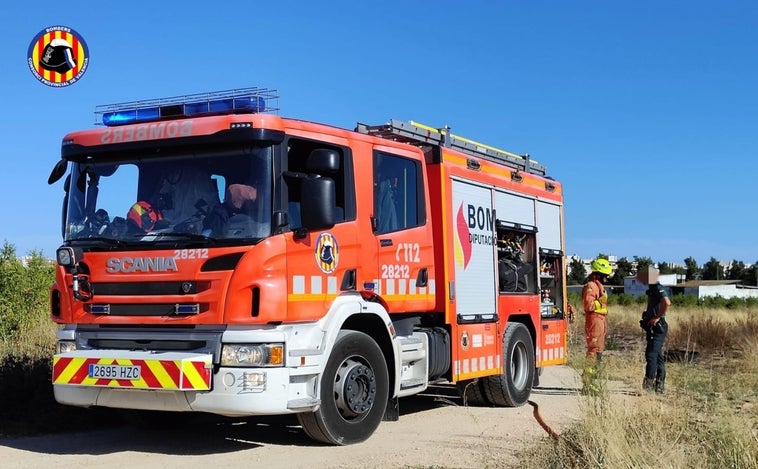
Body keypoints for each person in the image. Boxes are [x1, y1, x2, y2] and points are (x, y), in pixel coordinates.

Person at [581, 257, 613, 393]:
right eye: (605, 275)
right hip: (594, 321)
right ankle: (588, 383)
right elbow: (589, 305)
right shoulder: (591, 286)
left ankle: (592, 380)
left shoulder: (598, 286)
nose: (607, 278)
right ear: (598, 274)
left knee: (598, 352)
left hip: (600, 321)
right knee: (593, 352)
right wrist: (600, 301)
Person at [638, 266, 671, 394]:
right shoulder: (652, 288)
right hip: (654, 326)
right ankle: (659, 386)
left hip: (658, 327)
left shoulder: (657, 287)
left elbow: (666, 302)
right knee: (657, 356)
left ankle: (649, 385)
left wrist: (657, 317)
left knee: (651, 355)